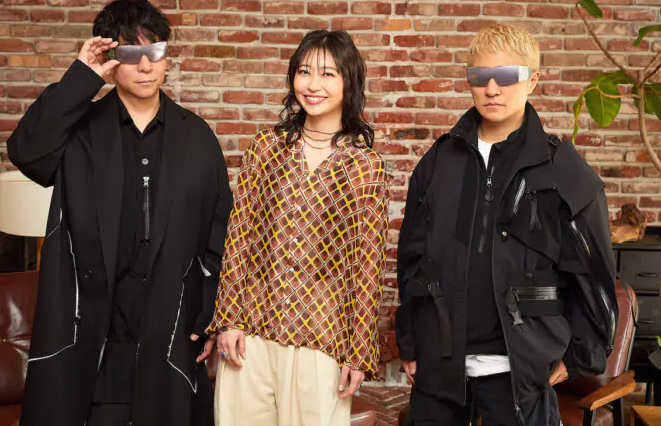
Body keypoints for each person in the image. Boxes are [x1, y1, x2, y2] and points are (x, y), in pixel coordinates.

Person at [8, 0, 232, 426]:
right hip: (91, 331)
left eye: (155, 51)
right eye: (130, 53)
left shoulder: (197, 137)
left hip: (168, 329)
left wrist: (211, 314)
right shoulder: (79, 131)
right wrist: (81, 77)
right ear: (111, 61)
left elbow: (219, 232)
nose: (145, 66)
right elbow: (26, 152)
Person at [395, 24, 618, 426]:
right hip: (440, 368)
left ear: (533, 80)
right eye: (481, 76)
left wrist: (579, 355)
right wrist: (410, 341)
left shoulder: (563, 170)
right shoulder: (439, 161)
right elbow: (413, 257)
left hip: (520, 375)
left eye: (507, 75)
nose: (492, 88)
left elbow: (595, 271)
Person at [205, 29, 390, 426]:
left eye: (327, 74)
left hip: (321, 338)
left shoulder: (364, 167)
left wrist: (359, 352)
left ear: (349, 82)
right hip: (252, 331)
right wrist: (229, 320)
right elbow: (240, 237)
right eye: (304, 72)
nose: (312, 84)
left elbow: (367, 266)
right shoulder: (265, 149)